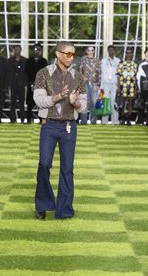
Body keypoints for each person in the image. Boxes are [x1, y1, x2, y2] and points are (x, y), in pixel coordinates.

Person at [33, 41, 87, 220]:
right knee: (44, 164)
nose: (71, 57)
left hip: (69, 127)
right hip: (48, 124)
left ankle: (64, 210)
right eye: (67, 54)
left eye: (73, 54)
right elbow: (38, 100)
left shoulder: (79, 77)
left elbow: (84, 107)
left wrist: (74, 102)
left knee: (67, 169)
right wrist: (57, 97)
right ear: (58, 54)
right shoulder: (43, 73)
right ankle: (43, 204)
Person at [26, 43, 48, 123]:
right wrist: (31, 82)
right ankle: (28, 119)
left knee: (40, 103)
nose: (37, 51)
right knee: (30, 103)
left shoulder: (43, 61)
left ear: (41, 51)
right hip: (31, 84)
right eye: (35, 49)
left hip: (40, 85)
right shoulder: (29, 61)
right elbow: (27, 72)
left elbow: (45, 73)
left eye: (38, 49)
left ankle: (41, 119)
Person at [79, 46, 101, 124]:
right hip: (85, 84)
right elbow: (79, 72)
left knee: (94, 103)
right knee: (84, 103)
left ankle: (93, 121)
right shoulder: (83, 60)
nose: (91, 52)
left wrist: (98, 85)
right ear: (86, 51)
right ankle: (84, 121)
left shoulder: (97, 61)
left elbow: (100, 74)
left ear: (94, 51)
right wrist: (82, 78)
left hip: (94, 84)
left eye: (92, 50)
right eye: (89, 50)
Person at [117, 47, 138, 125]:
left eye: (130, 53)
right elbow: (118, 76)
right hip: (123, 85)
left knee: (130, 103)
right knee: (123, 102)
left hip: (132, 85)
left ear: (132, 54)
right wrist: (119, 87)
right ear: (125, 54)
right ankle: (122, 118)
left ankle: (129, 119)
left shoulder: (134, 64)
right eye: (127, 53)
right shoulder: (121, 64)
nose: (128, 54)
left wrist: (136, 87)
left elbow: (136, 77)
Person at [7, 45, 28, 123]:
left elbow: (26, 72)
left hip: (21, 84)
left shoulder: (25, 60)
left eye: (18, 49)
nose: (17, 51)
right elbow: (7, 73)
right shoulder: (9, 61)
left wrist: (25, 82)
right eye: (15, 49)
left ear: (21, 50)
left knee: (22, 102)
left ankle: (22, 118)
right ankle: (12, 119)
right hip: (12, 84)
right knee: (12, 102)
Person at [101, 45, 121, 124]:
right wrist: (101, 86)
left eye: (112, 50)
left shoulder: (118, 61)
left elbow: (119, 75)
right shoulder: (103, 61)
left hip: (114, 84)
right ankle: (104, 121)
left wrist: (118, 86)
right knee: (106, 101)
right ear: (107, 51)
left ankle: (115, 120)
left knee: (113, 101)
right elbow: (102, 73)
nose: (111, 51)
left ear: (114, 51)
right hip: (105, 84)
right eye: (109, 50)